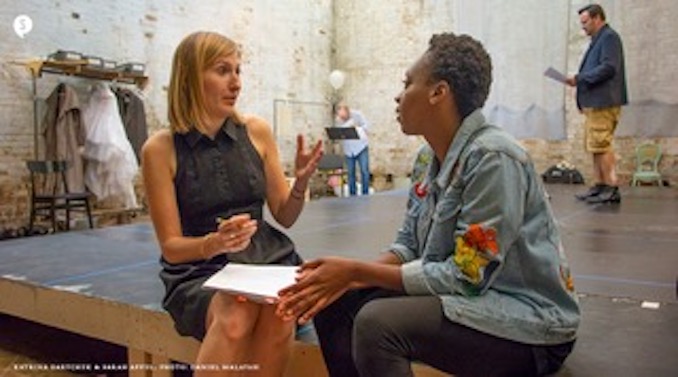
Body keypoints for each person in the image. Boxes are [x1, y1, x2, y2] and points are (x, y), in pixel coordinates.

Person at [277, 32, 580, 377]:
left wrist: (356, 272)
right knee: (336, 300)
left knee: (378, 325)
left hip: (528, 323)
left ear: (439, 92)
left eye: (407, 83)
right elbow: (409, 245)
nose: (397, 95)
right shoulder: (426, 159)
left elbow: (467, 275)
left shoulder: (493, 159)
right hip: (471, 300)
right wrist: (346, 281)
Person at [141, 31, 322, 376]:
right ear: (192, 77)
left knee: (279, 314)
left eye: (238, 71)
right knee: (234, 315)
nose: (236, 83)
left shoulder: (256, 131)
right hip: (200, 270)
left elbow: (285, 215)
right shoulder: (160, 149)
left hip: (266, 261)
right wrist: (215, 243)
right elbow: (172, 248)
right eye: (223, 70)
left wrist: (299, 183)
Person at [566, 3, 627, 204]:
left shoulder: (609, 37)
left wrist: (580, 77)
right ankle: (600, 185)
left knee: (602, 144)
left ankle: (611, 186)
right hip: (595, 102)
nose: (583, 27)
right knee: (594, 145)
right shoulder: (597, 40)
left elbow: (609, 67)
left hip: (604, 101)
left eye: (585, 22)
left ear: (597, 18)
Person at [335, 103, 370, 196]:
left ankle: (365, 194)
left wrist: (357, 128)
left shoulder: (357, 115)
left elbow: (367, 127)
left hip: (361, 147)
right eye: (340, 117)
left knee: (364, 171)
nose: (342, 118)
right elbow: (339, 132)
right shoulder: (338, 120)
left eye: (343, 116)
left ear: (347, 111)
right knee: (350, 173)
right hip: (349, 149)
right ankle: (352, 195)